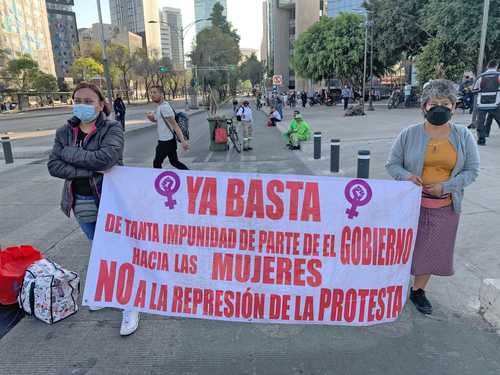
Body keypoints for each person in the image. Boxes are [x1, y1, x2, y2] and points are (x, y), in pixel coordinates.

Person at [47, 83, 140, 336]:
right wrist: (87, 167)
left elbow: (106, 160)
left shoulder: (112, 128)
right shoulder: (65, 132)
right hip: (80, 203)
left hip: (110, 200)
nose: (83, 105)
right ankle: (110, 294)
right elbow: (54, 166)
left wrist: (70, 155)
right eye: (78, 100)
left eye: (89, 101)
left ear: (101, 104)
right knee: (99, 249)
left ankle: (130, 305)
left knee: (118, 252)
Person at [386, 79, 480, 315]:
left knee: (430, 250)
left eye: (445, 103)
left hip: (445, 206)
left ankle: (418, 290)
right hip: (409, 206)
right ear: (424, 106)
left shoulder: (463, 136)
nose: (440, 107)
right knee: (405, 248)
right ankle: (394, 284)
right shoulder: (409, 134)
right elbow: (392, 164)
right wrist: (406, 176)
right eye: (434, 103)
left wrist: (448, 186)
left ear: (454, 106)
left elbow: (472, 170)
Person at [147, 85, 189, 169]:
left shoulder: (164, 107)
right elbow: (157, 120)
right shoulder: (160, 106)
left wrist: (183, 141)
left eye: (155, 92)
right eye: (151, 92)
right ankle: (189, 174)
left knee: (156, 163)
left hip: (165, 142)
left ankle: (158, 181)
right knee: (174, 162)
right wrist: (151, 117)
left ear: (161, 94)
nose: (152, 95)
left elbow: (175, 125)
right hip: (168, 140)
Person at [473, 60, 500, 145]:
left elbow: (474, 90)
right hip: (496, 103)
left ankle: (481, 140)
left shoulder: (480, 77)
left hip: (482, 104)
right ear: (496, 66)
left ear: (487, 66)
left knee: (480, 122)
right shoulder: (499, 76)